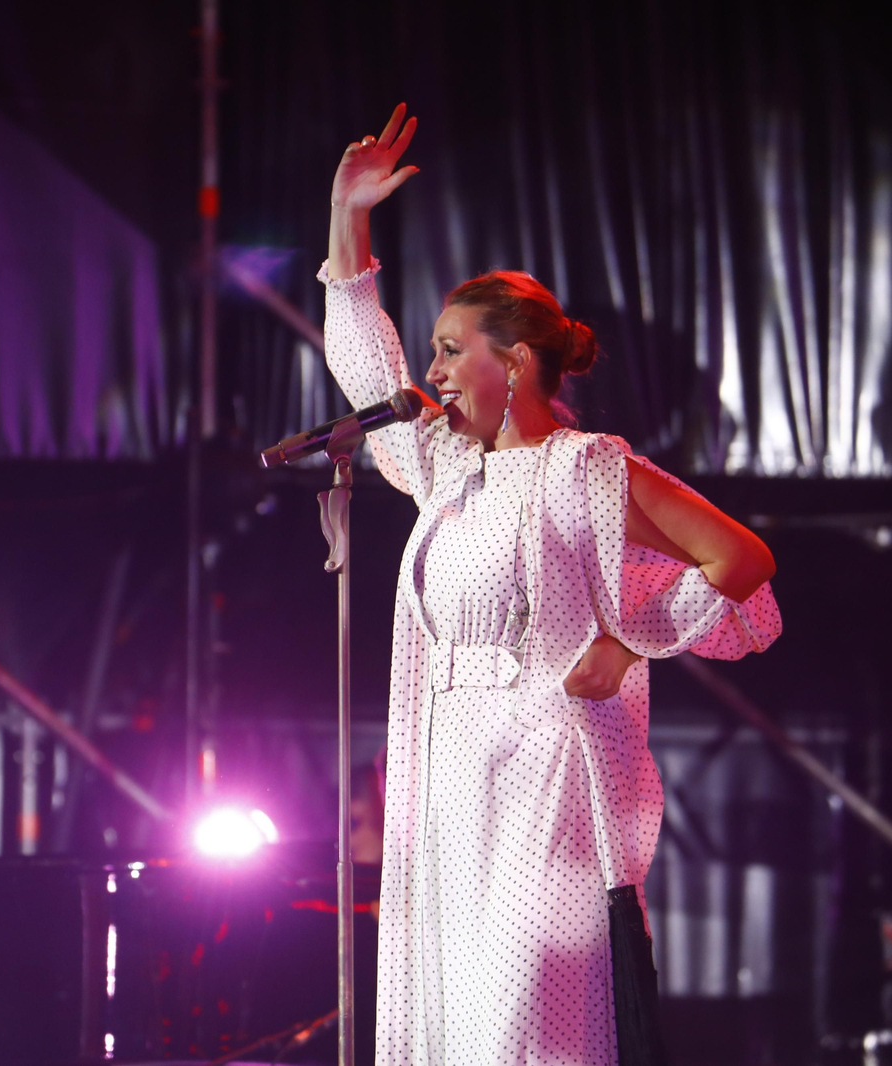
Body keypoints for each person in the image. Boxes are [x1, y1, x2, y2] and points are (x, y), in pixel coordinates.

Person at [322, 104, 782, 1066]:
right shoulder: (447, 468)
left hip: (547, 778)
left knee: (523, 1032)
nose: (434, 370)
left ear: (515, 363)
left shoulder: (586, 466)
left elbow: (740, 560)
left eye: (453, 350)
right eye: (437, 349)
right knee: (453, 1028)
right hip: (450, 780)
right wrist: (346, 218)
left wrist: (629, 644)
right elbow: (369, 366)